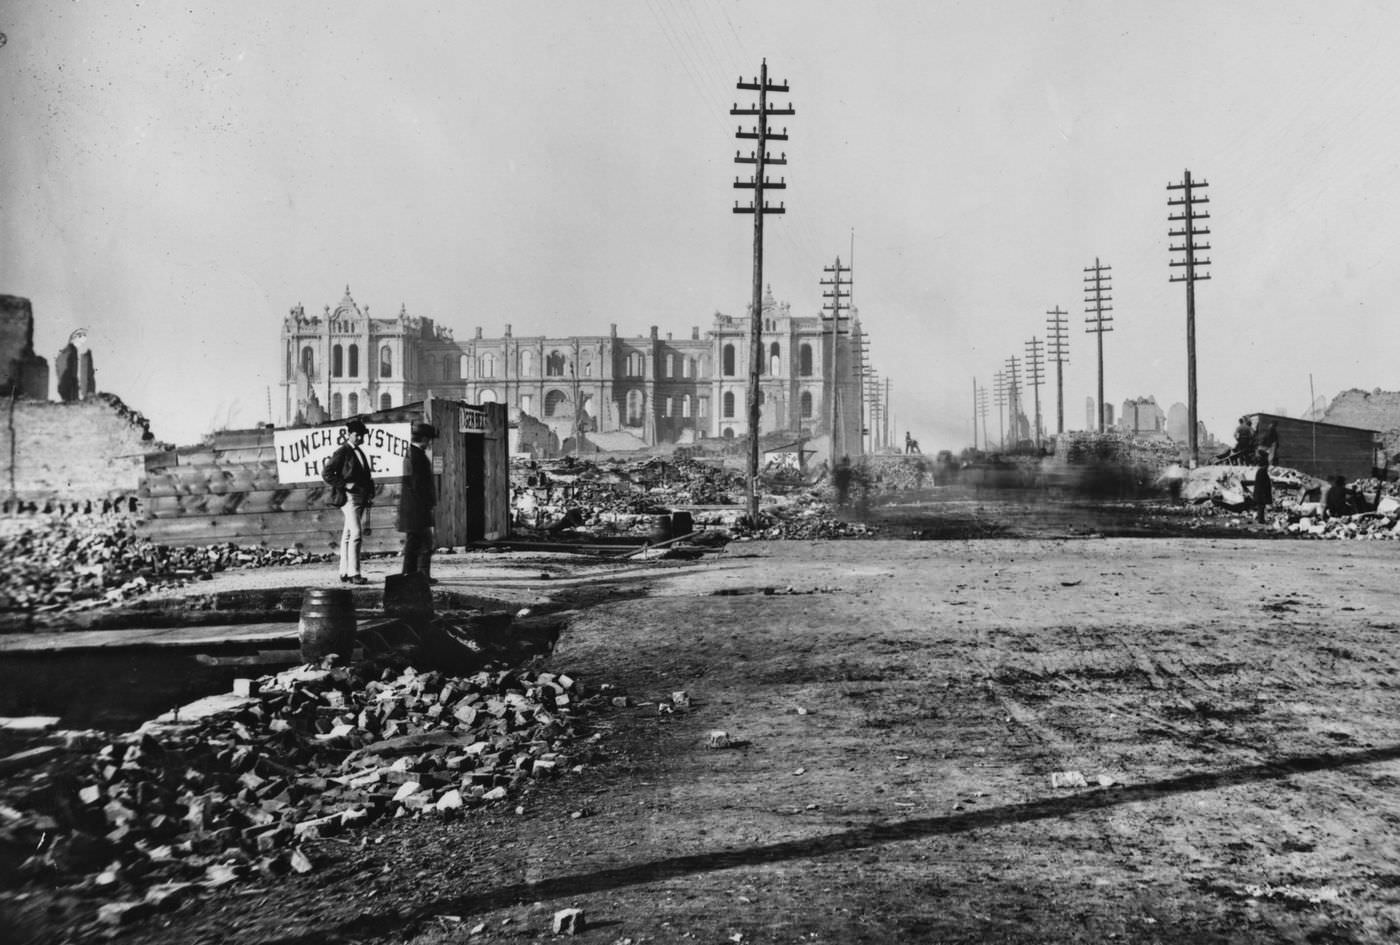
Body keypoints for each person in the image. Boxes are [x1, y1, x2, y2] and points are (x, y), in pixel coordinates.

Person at [322, 417, 375, 584]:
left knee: (348, 535)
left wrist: (369, 494)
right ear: (350, 434)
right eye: (357, 435)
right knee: (357, 534)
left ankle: (344, 571)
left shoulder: (360, 452)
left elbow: (366, 477)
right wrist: (345, 484)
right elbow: (327, 473)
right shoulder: (342, 451)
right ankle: (355, 573)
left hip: (360, 497)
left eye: (362, 435)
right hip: (348, 498)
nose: (360, 438)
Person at [397, 421, 438, 582]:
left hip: (415, 507)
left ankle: (416, 575)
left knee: (418, 542)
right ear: (424, 439)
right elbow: (416, 485)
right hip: (416, 508)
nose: (430, 443)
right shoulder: (415, 456)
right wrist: (427, 504)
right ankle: (412, 575)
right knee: (419, 543)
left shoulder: (413, 454)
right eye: (429, 440)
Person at [1253, 450, 1273, 523]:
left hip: (1259, 493)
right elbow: (1262, 484)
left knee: (1261, 507)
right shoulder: (1262, 471)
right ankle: (1261, 520)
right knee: (1261, 507)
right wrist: (1264, 495)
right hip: (1261, 494)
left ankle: (1260, 519)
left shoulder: (1260, 471)